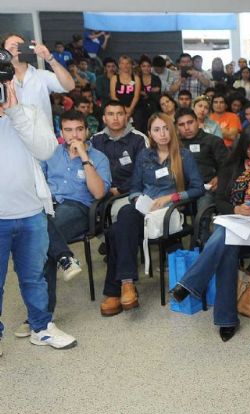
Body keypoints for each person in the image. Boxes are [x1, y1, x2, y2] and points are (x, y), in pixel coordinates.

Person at [170, 123, 250, 341]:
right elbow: (219, 199)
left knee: (223, 239)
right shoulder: (232, 165)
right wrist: (235, 209)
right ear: (243, 147)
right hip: (236, 221)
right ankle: (224, 317)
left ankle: (198, 293)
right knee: (226, 242)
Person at [0, 78, 77, 353]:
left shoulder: (30, 112)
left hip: (32, 212)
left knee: (34, 277)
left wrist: (16, 112)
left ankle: (41, 328)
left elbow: (46, 150)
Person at [100, 113, 204, 316]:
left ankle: (116, 290)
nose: (162, 134)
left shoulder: (183, 155)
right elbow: (135, 188)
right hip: (146, 210)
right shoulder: (144, 156)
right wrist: (139, 200)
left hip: (170, 212)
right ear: (150, 134)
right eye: (157, 130)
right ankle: (127, 284)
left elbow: (198, 188)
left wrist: (171, 198)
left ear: (172, 130)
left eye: (165, 128)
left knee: (115, 232)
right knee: (125, 214)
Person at [37, 110, 111, 335]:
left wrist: (84, 158)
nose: (74, 135)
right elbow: (37, 185)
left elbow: (99, 193)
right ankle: (64, 257)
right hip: (48, 208)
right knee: (42, 234)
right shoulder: (50, 154)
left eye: (79, 129)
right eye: (68, 130)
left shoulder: (98, 157)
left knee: (41, 238)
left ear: (87, 131)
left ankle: (40, 318)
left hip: (78, 209)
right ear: (61, 132)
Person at [3, 33, 75, 126]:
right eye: (11, 46)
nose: (16, 49)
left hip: (42, 137)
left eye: (20, 45)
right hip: (10, 136)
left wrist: (50, 59)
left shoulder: (42, 75)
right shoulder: (2, 79)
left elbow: (69, 86)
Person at [176, 108, 228, 221]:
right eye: (181, 124)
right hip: (181, 190)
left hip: (207, 189)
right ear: (177, 127)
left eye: (190, 122)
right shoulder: (175, 145)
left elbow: (228, 166)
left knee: (203, 207)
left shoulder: (213, 141)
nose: (186, 127)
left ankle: (202, 238)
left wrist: (219, 177)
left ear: (197, 122)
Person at [91, 101, 150, 196]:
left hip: (131, 193)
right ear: (104, 119)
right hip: (100, 192)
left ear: (126, 117)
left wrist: (120, 190)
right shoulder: (95, 140)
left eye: (120, 114)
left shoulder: (139, 139)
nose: (115, 118)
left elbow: (145, 171)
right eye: (110, 114)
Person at [135, 55, 162, 132]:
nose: (146, 68)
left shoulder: (156, 78)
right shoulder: (137, 78)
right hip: (140, 106)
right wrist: (151, 92)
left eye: (148, 66)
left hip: (153, 106)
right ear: (140, 67)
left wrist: (145, 93)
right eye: (144, 66)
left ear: (151, 67)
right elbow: (135, 93)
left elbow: (157, 95)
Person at [109, 55, 141, 120]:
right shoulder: (114, 78)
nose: (125, 66)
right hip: (118, 107)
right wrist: (124, 108)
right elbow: (113, 96)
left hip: (133, 108)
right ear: (119, 65)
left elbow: (136, 96)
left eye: (127, 63)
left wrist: (130, 109)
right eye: (123, 63)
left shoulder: (136, 78)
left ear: (131, 65)